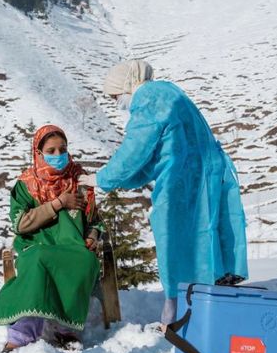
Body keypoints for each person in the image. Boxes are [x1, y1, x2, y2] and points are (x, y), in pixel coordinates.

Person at [78, 60, 248, 327]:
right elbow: (153, 158)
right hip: (203, 175)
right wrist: (112, 181)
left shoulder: (148, 97)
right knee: (206, 241)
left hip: (185, 183)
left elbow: (135, 150)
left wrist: (101, 178)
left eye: (115, 97)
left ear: (127, 85)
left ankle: (179, 316)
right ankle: (202, 308)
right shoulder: (168, 92)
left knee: (178, 246)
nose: (118, 102)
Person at [0, 124, 103, 352]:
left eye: (62, 149)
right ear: (38, 153)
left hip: (72, 246)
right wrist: (58, 203)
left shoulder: (80, 181)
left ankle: (65, 329)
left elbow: (94, 221)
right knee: (40, 259)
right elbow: (20, 223)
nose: (58, 155)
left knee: (86, 260)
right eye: (51, 151)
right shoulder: (26, 184)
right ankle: (23, 332)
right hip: (37, 245)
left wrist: (92, 237)